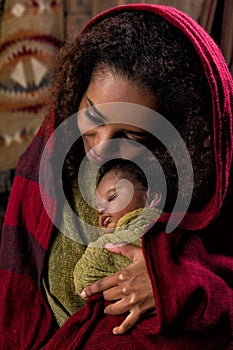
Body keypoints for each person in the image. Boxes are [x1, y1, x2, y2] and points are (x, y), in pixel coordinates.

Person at [0, 4, 232, 349]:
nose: (102, 148)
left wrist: (170, 282)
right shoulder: (46, 158)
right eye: (92, 114)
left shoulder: (195, 188)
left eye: (132, 136)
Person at [73, 158, 162, 295]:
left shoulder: (150, 224)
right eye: (99, 210)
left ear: (151, 198)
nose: (102, 211)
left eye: (112, 197)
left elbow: (86, 273)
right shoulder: (118, 234)